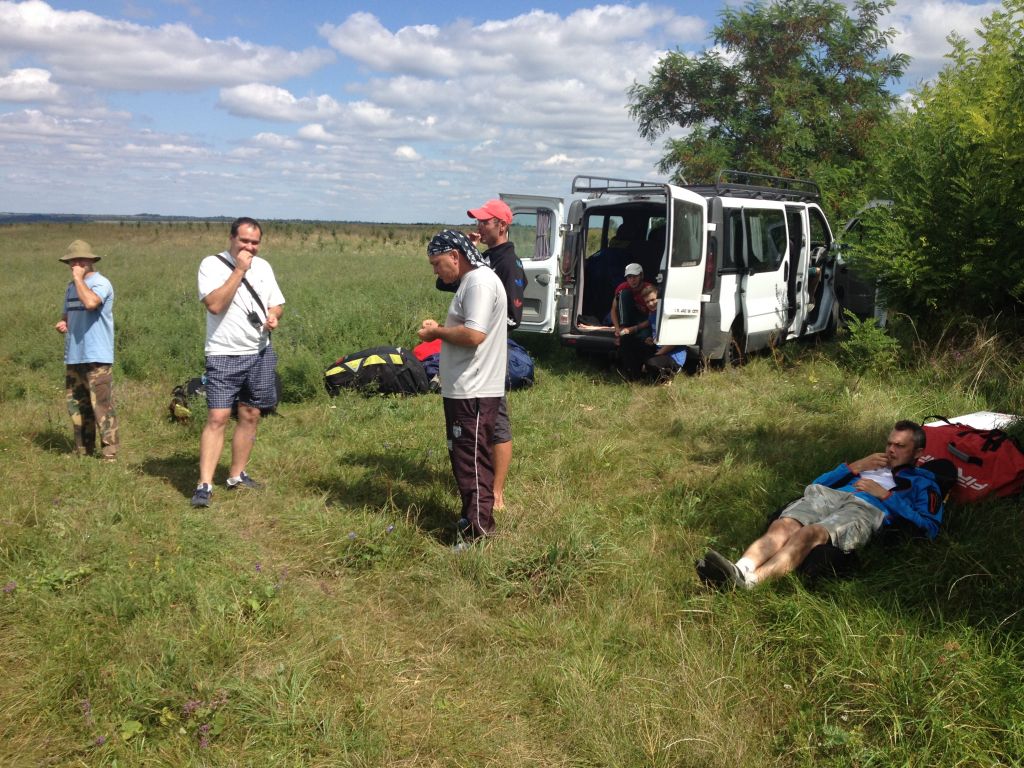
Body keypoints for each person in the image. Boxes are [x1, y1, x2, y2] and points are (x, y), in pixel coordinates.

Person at [697, 421, 944, 589]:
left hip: (865, 509)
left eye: (900, 446)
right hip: (830, 496)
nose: (890, 450)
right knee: (784, 524)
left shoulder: (924, 482)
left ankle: (750, 583)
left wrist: (886, 496)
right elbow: (815, 485)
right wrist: (854, 467)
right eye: (889, 443)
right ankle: (740, 568)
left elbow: (930, 527)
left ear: (917, 453)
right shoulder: (872, 463)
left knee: (810, 533)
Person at [418, 230, 508, 548]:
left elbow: (473, 335)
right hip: (466, 388)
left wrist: (436, 333)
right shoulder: (472, 281)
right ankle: (472, 516)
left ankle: (478, 532)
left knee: (472, 460)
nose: (435, 271)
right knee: (463, 457)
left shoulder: (479, 282)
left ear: (455, 256)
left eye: (437, 263)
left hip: (474, 389)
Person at [438, 198, 527, 512]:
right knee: (483, 422)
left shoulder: (509, 263)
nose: (479, 226)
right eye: (477, 221)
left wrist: (479, 330)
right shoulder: (485, 258)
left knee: (497, 422)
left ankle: (496, 492)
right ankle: (481, 482)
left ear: (501, 225)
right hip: (473, 355)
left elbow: (513, 317)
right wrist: (468, 252)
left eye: (484, 222)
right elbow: (446, 282)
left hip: (489, 355)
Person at [191, 217, 285, 508]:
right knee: (218, 417)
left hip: (259, 352)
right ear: (231, 238)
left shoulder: (264, 267)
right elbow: (215, 305)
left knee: (251, 414)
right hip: (223, 353)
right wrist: (240, 270)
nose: (250, 247)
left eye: (255, 242)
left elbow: (276, 303)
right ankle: (204, 484)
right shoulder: (211, 265)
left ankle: (236, 475)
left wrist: (274, 316)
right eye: (244, 241)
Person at [54, 239, 119, 461]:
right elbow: (68, 314)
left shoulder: (101, 283)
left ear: (90, 261)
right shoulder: (71, 287)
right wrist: (64, 323)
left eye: (80, 260)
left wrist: (78, 279)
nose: (76, 265)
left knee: (101, 405)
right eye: (72, 261)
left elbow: (91, 303)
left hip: (97, 356)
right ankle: (83, 450)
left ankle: (109, 453)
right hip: (74, 355)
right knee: (77, 406)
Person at [611, 263, 654, 344]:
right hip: (628, 320)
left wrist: (634, 329)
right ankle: (623, 328)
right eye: (629, 277)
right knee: (624, 293)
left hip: (644, 322)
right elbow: (613, 310)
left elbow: (653, 318)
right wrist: (617, 329)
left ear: (641, 276)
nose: (632, 280)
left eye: (635, 276)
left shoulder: (649, 289)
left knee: (645, 338)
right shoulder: (622, 287)